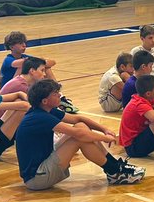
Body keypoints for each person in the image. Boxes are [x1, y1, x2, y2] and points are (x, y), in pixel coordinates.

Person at [15, 79, 144, 190]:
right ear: (44, 101)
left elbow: (78, 120)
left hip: (42, 165)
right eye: (55, 94)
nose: (59, 95)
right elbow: (79, 135)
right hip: (37, 178)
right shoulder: (39, 117)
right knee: (79, 138)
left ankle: (115, 166)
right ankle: (114, 171)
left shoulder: (45, 111)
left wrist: (103, 129)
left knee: (81, 127)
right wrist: (106, 138)